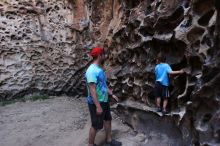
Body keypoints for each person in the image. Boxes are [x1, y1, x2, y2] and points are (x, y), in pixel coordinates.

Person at [85, 47, 122, 146]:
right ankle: (90, 144)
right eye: (103, 54)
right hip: (96, 102)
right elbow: (92, 90)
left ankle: (109, 140)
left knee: (108, 119)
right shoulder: (91, 71)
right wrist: (98, 106)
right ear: (99, 55)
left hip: (104, 100)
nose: (105, 56)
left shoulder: (99, 69)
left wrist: (111, 93)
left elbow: (102, 85)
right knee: (96, 125)